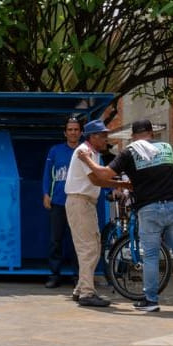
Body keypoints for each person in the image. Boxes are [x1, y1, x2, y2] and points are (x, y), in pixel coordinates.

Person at [80, 119, 173, 313]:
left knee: (150, 255)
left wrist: (86, 159)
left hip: (149, 208)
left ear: (133, 135)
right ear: (152, 133)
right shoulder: (168, 148)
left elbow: (104, 174)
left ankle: (151, 301)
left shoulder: (130, 152)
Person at [64, 119, 128, 307]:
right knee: (89, 248)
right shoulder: (85, 151)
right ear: (92, 136)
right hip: (80, 201)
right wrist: (122, 184)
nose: (105, 139)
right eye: (103, 135)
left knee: (91, 246)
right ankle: (86, 293)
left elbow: (97, 178)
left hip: (84, 202)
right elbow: (97, 179)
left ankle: (81, 289)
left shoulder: (92, 153)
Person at [41, 116, 83, 288]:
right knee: (55, 241)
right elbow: (47, 174)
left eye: (76, 129)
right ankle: (54, 274)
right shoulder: (55, 150)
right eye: (70, 129)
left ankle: (79, 276)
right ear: (65, 133)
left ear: (81, 132)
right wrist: (45, 193)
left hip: (79, 202)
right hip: (58, 201)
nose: (73, 132)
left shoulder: (85, 150)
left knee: (77, 241)